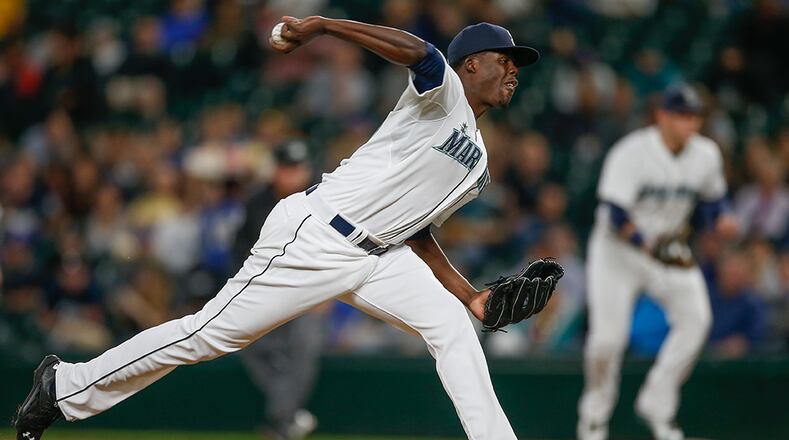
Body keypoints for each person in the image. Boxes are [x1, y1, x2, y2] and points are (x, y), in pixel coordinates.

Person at [14, 16, 543, 440]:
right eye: (506, 60)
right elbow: (421, 53)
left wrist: (471, 295)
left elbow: (418, 229)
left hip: (379, 255)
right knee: (207, 335)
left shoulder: (478, 162)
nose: (515, 71)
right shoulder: (443, 95)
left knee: (452, 326)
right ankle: (64, 385)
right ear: (471, 65)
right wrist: (325, 25)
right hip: (316, 236)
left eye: (518, 64)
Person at [577, 84, 739, 440]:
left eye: (695, 116)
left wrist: (719, 219)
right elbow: (614, 214)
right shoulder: (631, 153)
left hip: (668, 249)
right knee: (607, 341)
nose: (690, 123)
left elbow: (712, 201)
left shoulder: (705, 154)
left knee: (697, 320)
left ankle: (658, 406)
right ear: (661, 116)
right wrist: (647, 245)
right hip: (616, 252)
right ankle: (594, 421)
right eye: (682, 115)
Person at [231, 140, 322, 440]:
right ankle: (291, 416)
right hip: (263, 291)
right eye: (288, 168)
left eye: (299, 168)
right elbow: (241, 249)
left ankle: (282, 423)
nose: (294, 175)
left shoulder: (323, 197)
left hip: (308, 292)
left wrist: (327, 291)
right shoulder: (257, 202)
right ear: (276, 171)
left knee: (304, 349)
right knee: (252, 349)